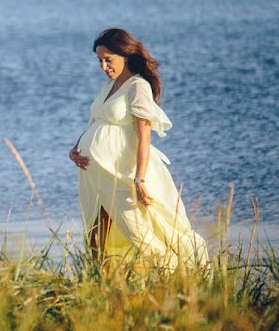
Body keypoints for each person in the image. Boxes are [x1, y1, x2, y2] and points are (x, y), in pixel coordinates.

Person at [68, 27, 208, 269]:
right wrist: (75, 148)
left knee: (140, 233)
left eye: (108, 60)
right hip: (95, 174)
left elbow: (145, 138)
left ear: (125, 55)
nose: (103, 66)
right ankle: (100, 288)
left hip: (121, 174)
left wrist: (139, 180)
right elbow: (97, 120)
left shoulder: (137, 87)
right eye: (99, 60)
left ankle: (178, 276)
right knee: (95, 234)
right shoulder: (109, 86)